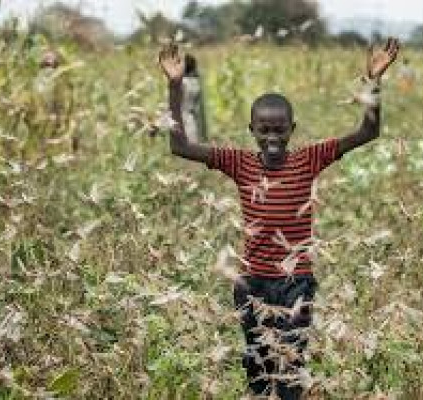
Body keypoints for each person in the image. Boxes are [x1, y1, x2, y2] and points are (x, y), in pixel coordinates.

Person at [158, 39, 400, 399]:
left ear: (292, 128)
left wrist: (372, 80)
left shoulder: (310, 159)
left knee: (289, 369)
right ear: (251, 130)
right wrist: (175, 85)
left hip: (295, 284)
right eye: (265, 130)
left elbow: (368, 132)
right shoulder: (239, 163)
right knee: (258, 369)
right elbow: (179, 146)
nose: (272, 138)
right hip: (251, 284)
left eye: (279, 129)